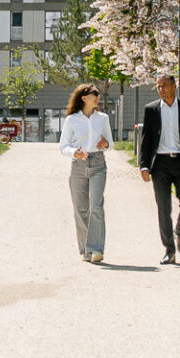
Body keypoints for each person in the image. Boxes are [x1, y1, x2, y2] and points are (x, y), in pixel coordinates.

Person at [137, 73, 180, 265]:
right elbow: (146, 140)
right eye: (158, 86)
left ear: (175, 86)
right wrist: (144, 165)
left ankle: (179, 232)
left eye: (164, 85)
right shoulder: (151, 109)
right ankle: (169, 250)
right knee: (163, 208)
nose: (161, 89)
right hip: (160, 165)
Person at [59, 82, 112, 263]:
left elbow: (110, 144)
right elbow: (63, 146)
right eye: (94, 93)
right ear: (83, 97)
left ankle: (96, 249)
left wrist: (105, 144)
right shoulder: (71, 120)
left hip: (98, 163)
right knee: (80, 209)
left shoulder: (103, 118)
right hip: (78, 165)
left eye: (98, 94)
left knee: (96, 206)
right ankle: (85, 251)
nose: (97, 96)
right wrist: (75, 152)